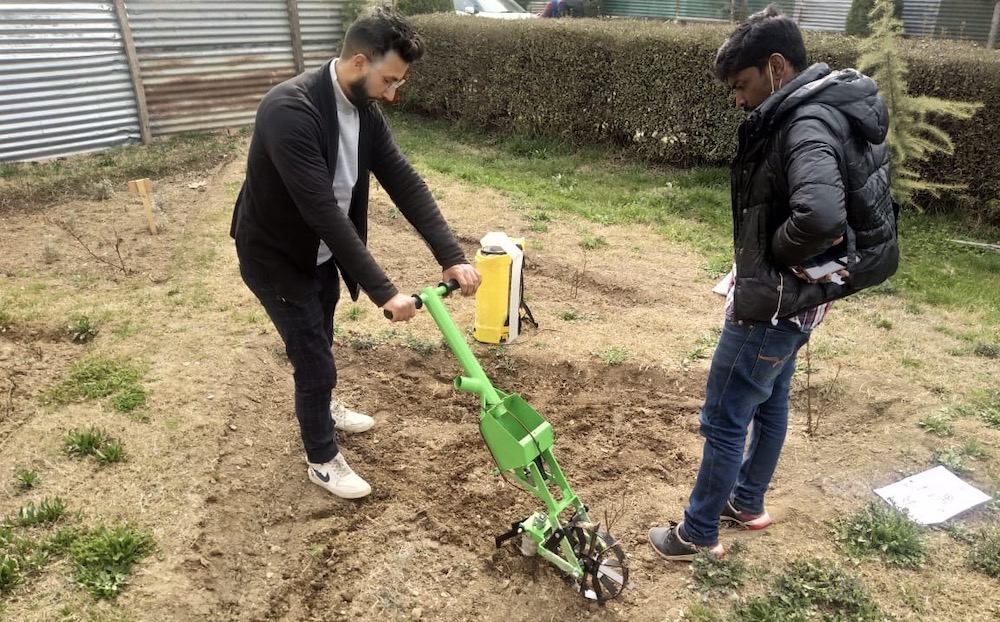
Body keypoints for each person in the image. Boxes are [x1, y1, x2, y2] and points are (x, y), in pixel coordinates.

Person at [648, 5, 898, 560]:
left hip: (776, 300)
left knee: (724, 413)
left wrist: (769, 254)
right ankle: (747, 501)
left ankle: (697, 533)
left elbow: (822, 216)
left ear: (777, 67)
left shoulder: (805, 122)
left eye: (742, 85)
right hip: (803, 301)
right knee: (770, 397)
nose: (737, 99)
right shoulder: (826, 110)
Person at [231, 7, 481, 500]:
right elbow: (323, 211)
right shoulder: (290, 109)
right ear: (359, 62)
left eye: (398, 83)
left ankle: (320, 405)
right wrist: (385, 292)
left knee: (320, 336)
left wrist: (451, 254)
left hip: (321, 252)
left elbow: (405, 182)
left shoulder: (365, 113)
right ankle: (321, 459)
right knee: (314, 358)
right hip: (277, 257)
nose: (393, 93)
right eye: (388, 80)